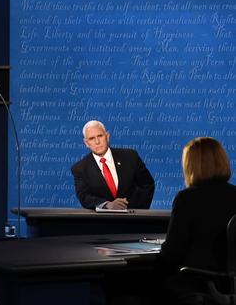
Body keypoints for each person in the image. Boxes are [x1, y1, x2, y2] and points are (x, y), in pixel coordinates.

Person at [157, 137, 236, 303]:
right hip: (230, 286)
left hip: (197, 285)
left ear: (191, 165)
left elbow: (172, 253)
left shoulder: (187, 199)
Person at [71, 120, 155, 209]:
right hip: (102, 220)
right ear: (86, 143)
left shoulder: (130, 157)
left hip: (133, 218)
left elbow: (147, 184)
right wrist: (107, 205)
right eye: (92, 138)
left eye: (100, 136)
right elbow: (84, 197)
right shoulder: (80, 168)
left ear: (107, 136)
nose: (97, 142)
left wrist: (136, 211)